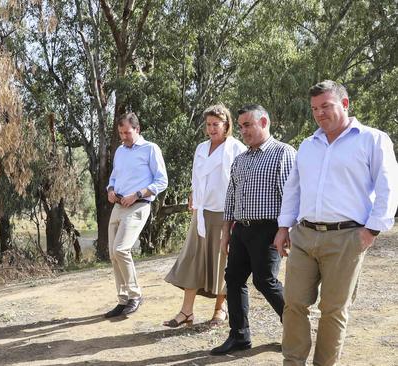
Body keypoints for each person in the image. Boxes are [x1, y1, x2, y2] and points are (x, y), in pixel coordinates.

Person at [274, 80, 398, 366]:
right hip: (304, 235)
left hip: (347, 237)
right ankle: (292, 362)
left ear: (344, 104)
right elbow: (294, 188)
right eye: (314, 108)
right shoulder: (308, 144)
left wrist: (372, 230)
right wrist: (283, 227)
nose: (319, 113)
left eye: (326, 106)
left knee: (333, 309)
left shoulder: (373, 139)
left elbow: (388, 187)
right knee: (293, 304)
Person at [210, 104, 296, 355]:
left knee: (265, 280)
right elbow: (231, 197)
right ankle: (239, 337)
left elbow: (291, 196)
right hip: (241, 229)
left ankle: (295, 332)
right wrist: (226, 231)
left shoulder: (283, 153)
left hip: (269, 229)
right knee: (234, 280)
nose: (243, 131)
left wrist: (286, 230)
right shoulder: (241, 159)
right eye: (241, 126)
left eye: (248, 125)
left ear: (264, 122)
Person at [163, 104, 246, 327]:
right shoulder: (201, 148)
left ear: (226, 125)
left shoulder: (236, 148)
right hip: (201, 212)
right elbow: (195, 177)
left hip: (225, 213)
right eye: (208, 125)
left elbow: (240, 182)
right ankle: (186, 312)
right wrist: (193, 195)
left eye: (215, 124)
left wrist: (237, 215)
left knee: (222, 260)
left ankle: (220, 309)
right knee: (193, 258)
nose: (211, 129)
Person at [104, 112, 168, 318]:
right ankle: (123, 300)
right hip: (118, 205)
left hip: (138, 205)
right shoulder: (120, 151)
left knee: (121, 249)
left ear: (137, 129)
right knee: (113, 254)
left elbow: (161, 181)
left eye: (127, 132)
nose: (124, 136)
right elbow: (114, 176)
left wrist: (138, 194)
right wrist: (110, 190)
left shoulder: (150, 149)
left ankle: (135, 295)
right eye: (121, 133)